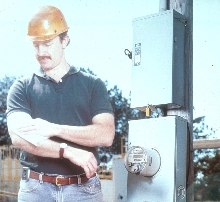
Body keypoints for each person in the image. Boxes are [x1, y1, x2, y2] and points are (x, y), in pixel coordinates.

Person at [6, 5, 115, 202]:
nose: (40, 52)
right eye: (35, 45)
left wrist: (54, 129)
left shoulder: (92, 85)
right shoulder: (21, 87)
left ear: (65, 40)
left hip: (84, 192)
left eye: (47, 43)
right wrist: (68, 151)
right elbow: (19, 136)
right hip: (36, 191)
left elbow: (106, 135)